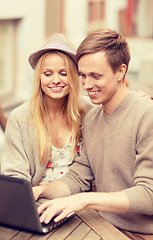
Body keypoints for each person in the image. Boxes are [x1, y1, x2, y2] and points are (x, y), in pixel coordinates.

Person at [33, 29, 153, 239]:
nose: (87, 85)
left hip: (140, 233)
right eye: (82, 75)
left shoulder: (146, 116)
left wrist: (84, 201)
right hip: (99, 224)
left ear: (120, 72)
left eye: (96, 76)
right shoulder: (91, 119)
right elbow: (80, 176)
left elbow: (149, 195)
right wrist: (41, 191)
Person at [1, 33, 92, 186]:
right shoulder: (19, 118)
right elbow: (14, 174)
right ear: (39, 77)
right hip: (37, 200)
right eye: (48, 74)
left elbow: (115, 107)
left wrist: (139, 100)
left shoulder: (88, 111)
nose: (56, 80)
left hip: (78, 199)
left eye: (63, 73)